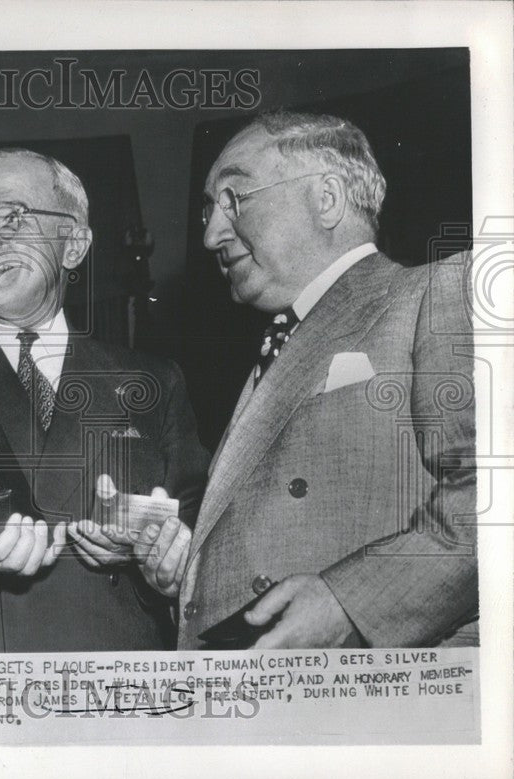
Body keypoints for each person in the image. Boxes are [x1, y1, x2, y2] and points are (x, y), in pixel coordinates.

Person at [136, 111, 477, 649]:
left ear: (327, 198)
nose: (210, 234)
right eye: (209, 208)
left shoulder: (440, 290)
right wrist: (190, 572)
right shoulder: (276, 344)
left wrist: (353, 601)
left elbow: (494, 496)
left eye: (234, 199)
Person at [0, 148, 209, 652]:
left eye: (12, 218)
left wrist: (158, 563)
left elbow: (204, 548)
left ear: (72, 244)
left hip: (110, 695)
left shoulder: (153, 383)